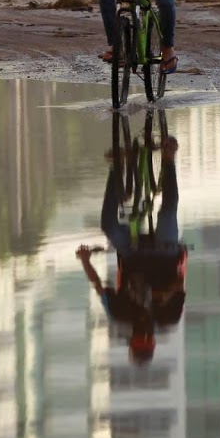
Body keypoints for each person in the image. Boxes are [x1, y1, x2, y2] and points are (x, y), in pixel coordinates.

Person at [77, 113, 185, 365]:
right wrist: (165, 293)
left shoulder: (120, 315)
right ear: (153, 338)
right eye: (146, 334)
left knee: (109, 225)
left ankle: (117, 167)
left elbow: (99, 288)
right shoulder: (168, 317)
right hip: (165, 252)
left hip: (133, 254)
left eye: (139, 335)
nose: (142, 328)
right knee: (168, 211)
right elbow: (179, 280)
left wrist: (85, 260)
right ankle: (169, 159)